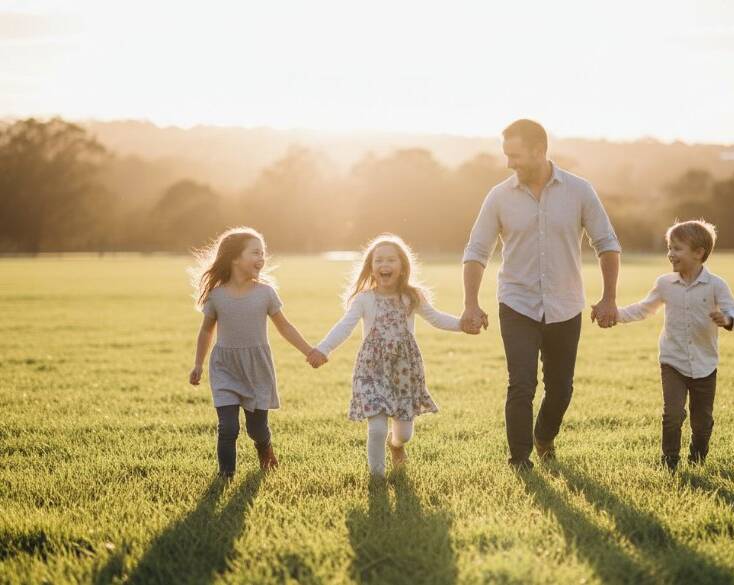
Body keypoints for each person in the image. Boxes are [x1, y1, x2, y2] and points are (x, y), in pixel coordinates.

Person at [462, 119, 622, 470]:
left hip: (565, 305)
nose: (509, 163)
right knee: (521, 384)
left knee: (561, 389)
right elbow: (476, 251)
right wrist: (471, 304)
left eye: (515, 155)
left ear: (540, 151)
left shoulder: (579, 191)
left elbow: (607, 244)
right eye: (506, 155)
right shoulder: (499, 197)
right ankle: (519, 460)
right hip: (516, 303)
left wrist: (609, 297)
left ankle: (544, 436)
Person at [310, 234, 466, 478]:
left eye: (391, 260)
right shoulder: (364, 299)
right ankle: (377, 477)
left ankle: (397, 446)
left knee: (403, 433)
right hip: (371, 370)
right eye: (378, 260)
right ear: (371, 268)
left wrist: (463, 324)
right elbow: (344, 326)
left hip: (404, 371)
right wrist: (323, 348)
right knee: (378, 427)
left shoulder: (411, 297)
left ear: (402, 266)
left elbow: (436, 318)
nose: (385, 265)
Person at [602, 220, 734, 472]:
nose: (670, 254)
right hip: (672, 361)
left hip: (705, 364)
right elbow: (644, 309)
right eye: (669, 247)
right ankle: (670, 463)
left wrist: (728, 319)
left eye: (677, 248)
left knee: (702, 422)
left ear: (699, 253)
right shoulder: (665, 283)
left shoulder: (715, 285)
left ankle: (697, 459)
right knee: (672, 415)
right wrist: (615, 315)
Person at [189, 227, 316, 479]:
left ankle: (264, 447)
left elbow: (284, 326)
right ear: (236, 258)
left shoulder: (265, 293)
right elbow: (206, 332)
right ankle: (226, 475)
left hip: (257, 368)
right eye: (255, 252)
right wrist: (198, 365)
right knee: (228, 428)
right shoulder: (217, 296)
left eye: (263, 253)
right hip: (225, 367)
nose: (262, 258)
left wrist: (309, 351)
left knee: (257, 429)